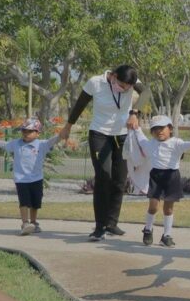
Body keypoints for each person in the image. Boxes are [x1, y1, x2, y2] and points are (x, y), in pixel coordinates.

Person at [59, 65, 143, 241]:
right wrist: (68, 126)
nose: (125, 89)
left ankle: (112, 223)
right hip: (99, 134)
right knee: (103, 176)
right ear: (112, 76)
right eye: (122, 85)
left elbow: (146, 93)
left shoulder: (132, 82)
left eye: (128, 87)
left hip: (121, 136)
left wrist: (135, 112)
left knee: (120, 180)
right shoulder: (95, 83)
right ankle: (99, 227)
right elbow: (80, 104)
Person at [132, 115, 190, 247]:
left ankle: (166, 235)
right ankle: (148, 229)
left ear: (170, 129)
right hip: (156, 176)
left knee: (168, 209)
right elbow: (140, 137)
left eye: (162, 128)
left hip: (172, 176)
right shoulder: (150, 144)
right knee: (153, 206)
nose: (159, 131)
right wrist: (136, 125)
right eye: (155, 129)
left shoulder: (176, 143)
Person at [0, 118, 65, 235]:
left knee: (35, 203)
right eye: (24, 131)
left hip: (37, 179)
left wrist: (62, 134)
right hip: (21, 179)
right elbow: (3, 145)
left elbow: (53, 140)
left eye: (30, 131)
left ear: (38, 133)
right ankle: (25, 223)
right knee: (24, 202)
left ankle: (33, 223)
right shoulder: (16, 144)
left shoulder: (42, 145)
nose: (26, 133)